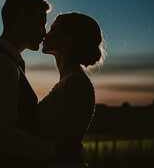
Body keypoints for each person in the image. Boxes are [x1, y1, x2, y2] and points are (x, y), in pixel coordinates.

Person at [0, 0, 55, 167]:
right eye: (40, 25)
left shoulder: (6, 61)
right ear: (22, 20)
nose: (44, 33)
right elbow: (2, 136)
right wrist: (55, 151)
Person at [38, 12, 107, 167]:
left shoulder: (75, 84)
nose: (45, 35)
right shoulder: (69, 81)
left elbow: (67, 145)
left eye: (53, 29)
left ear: (69, 39)